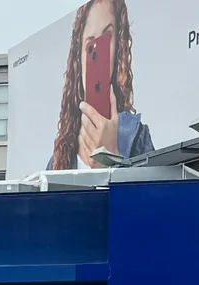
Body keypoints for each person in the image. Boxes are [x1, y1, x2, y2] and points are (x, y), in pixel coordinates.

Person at [47, 0, 154, 170]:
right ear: (79, 59)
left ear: (119, 48)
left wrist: (113, 161)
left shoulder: (136, 135)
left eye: (107, 37)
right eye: (90, 45)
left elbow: (154, 195)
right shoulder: (60, 155)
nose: (98, 54)